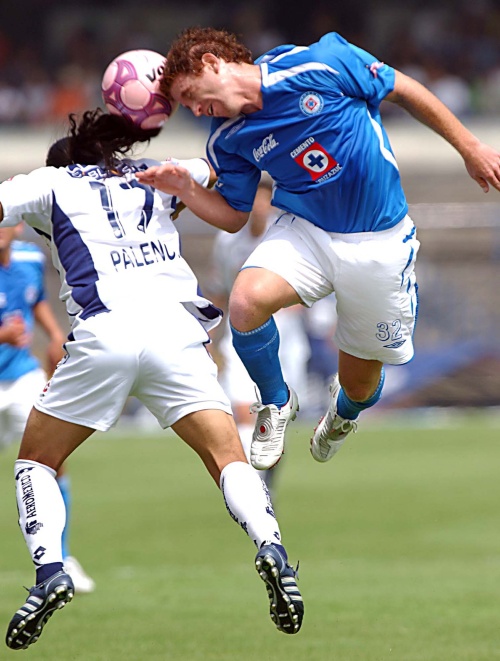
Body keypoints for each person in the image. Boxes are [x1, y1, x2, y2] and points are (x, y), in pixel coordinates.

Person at [2, 108, 303, 651]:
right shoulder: (155, 174)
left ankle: (50, 571)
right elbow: (217, 168)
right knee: (227, 458)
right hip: (176, 333)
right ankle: (271, 545)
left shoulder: (48, 183)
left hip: (105, 333)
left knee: (37, 462)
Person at [136, 27, 500, 471]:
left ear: (212, 62)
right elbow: (234, 215)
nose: (195, 110)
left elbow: (402, 89)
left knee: (360, 385)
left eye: (191, 95)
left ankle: (344, 413)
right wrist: (187, 190)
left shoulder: (319, 62)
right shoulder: (226, 136)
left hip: (377, 242)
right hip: (305, 230)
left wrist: (469, 146)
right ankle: (275, 403)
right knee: (246, 302)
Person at [0, 225, 95, 594]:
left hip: (22, 375)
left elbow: (35, 296)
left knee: (52, 460)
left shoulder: (29, 258)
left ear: (17, 223)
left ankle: (62, 558)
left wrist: (55, 335)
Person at [208, 178, 310, 493]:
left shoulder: (287, 238)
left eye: (265, 200)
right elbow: (221, 291)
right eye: (254, 200)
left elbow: (309, 290)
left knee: (275, 419)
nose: (259, 208)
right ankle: (254, 495)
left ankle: (267, 489)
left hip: (285, 339)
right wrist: (209, 335)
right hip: (241, 336)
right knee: (243, 413)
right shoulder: (227, 241)